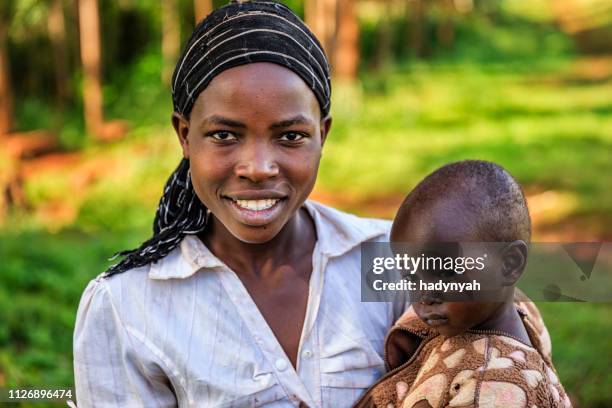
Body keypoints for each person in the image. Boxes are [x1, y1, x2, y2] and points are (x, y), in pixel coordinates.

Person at [73, 1, 406, 407]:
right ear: (184, 135)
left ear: (323, 134)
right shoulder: (127, 306)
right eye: (225, 135)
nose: (258, 168)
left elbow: (500, 280)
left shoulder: (389, 255)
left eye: (290, 137)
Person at [355, 160, 571, 408]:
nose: (423, 297)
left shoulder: (494, 392)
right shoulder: (486, 308)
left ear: (509, 264)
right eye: (410, 277)